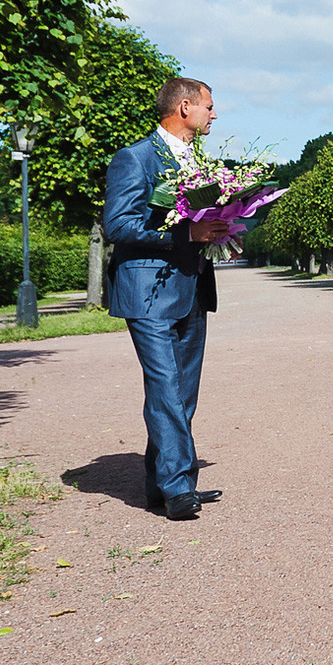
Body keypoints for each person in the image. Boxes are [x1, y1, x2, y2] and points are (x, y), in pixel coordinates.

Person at [99, 77, 226, 520]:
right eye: (209, 106)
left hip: (193, 286)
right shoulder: (134, 158)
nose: (215, 114)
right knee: (165, 386)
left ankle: (161, 484)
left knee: (184, 392)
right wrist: (185, 232)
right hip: (146, 289)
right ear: (185, 107)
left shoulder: (204, 162)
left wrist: (220, 233)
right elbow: (118, 225)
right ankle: (178, 488)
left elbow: (202, 218)